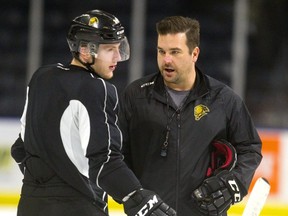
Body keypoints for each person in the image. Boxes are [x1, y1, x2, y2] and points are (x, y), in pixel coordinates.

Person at [10, 10, 176, 216]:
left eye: (118, 48)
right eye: (110, 49)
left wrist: (45, 186)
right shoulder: (97, 88)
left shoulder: (41, 77)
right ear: (85, 50)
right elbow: (104, 161)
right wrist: (138, 198)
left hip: (29, 206)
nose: (117, 57)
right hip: (78, 208)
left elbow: (19, 148)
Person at [118, 16, 262, 216]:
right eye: (161, 51)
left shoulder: (223, 99)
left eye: (175, 52)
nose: (166, 59)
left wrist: (234, 184)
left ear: (194, 54)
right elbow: (114, 155)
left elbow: (250, 148)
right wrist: (132, 195)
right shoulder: (136, 96)